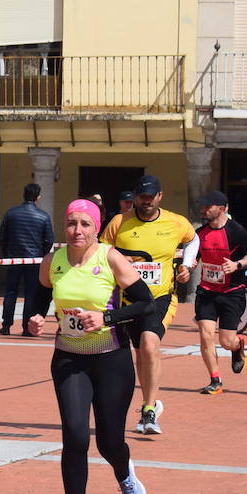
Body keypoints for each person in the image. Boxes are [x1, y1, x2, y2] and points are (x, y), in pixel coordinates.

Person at [28, 199, 154, 494]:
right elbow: (39, 295)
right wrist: (36, 318)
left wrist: (107, 318)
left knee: (108, 441)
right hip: (69, 359)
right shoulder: (52, 261)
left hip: (111, 359)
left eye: (84, 224)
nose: (77, 230)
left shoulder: (110, 258)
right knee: (75, 436)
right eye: (71, 223)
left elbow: (146, 303)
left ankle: (124, 472)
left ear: (95, 228)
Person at [100, 174, 197, 435]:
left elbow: (193, 239)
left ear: (159, 197)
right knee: (137, 354)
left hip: (160, 297)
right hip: (127, 299)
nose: (146, 201)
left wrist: (186, 265)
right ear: (135, 197)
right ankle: (143, 402)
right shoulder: (119, 222)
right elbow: (100, 252)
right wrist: (118, 266)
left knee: (149, 345)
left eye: (151, 196)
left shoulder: (176, 222)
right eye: (142, 197)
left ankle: (149, 409)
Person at [190, 190, 247, 394]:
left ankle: (237, 346)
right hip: (206, 291)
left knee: (226, 341)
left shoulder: (235, 231)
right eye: (202, 206)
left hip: (232, 292)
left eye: (207, 206)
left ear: (221, 209)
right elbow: (195, 256)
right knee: (205, 334)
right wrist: (189, 265)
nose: (202, 209)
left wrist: (237, 265)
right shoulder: (200, 234)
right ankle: (215, 379)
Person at [0, 183, 55, 336]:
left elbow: (2, 236)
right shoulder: (43, 216)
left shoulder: (11, 213)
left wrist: (6, 253)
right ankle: (26, 327)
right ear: (38, 197)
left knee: (11, 292)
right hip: (34, 260)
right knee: (31, 294)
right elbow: (49, 239)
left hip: (14, 259)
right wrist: (42, 256)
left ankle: (6, 325)